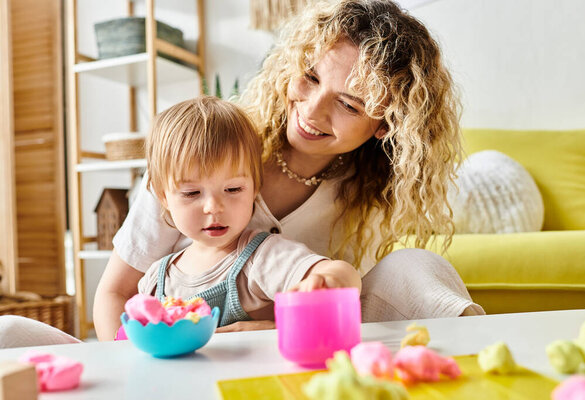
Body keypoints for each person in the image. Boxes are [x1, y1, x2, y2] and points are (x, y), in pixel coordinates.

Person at [0, 0, 483, 347]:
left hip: (286, 353)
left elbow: (333, 301)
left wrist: (270, 335)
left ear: (385, 125)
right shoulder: (205, 146)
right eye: (311, 78)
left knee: (415, 267)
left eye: (349, 104)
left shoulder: (362, 193)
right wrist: (132, 367)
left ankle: (473, 363)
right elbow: (115, 292)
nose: (312, 111)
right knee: (8, 332)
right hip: (164, 357)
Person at [137, 96, 360, 327]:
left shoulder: (262, 256)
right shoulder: (155, 280)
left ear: (254, 188)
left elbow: (341, 272)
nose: (213, 207)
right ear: (163, 196)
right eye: (192, 193)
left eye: (233, 189)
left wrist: (328, 280)